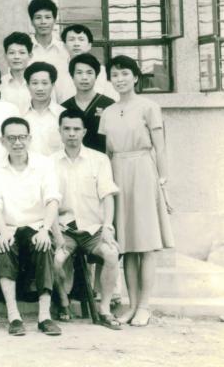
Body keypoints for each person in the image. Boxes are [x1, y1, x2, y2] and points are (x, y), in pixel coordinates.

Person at [100, 55, 174, 327]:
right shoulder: (108, 112)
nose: (119, 79)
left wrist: (163, 183)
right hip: (117, 173)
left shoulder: (149, 107)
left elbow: (160, 148)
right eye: (115, 75)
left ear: (135, 77)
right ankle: (131, 305)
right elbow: (107, 153)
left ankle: (145, 306)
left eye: (124, 74)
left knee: (147, 244)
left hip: (143, 171)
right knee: (128, 246)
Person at [0, 116, 63, 336]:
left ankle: (44, 316)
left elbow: (52, 200)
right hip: (6, 226)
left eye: (22, 137)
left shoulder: (44, 164)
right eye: (11, 138)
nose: (17, 142)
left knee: (44, 247)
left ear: (29, 139)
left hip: (36, 225)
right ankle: (14, 317)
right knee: (4, 247)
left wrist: (45, 230)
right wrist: (2, 232)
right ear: (2, 141)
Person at [52, 108, 122, 329]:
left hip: (94, 229)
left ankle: (105, 309)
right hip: (65, 229)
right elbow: (49, 202)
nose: (71, 134)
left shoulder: (99, 160)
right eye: (66, 129)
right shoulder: (50, 162)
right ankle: (63, 302)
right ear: (59, 131)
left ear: (84, 132)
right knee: (56, 260)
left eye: (76, 129)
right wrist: (56, 234)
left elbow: (107, 195)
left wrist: (108, 227)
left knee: (111, 254)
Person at [60, 52, 114, 153]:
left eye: (89, 73)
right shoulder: (63, 108)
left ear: (96, 76)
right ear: (72, 76)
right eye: (79, 72)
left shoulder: (109, 104)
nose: (84, 77)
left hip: (103, 159)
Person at [54, 24, 117, 104]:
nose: (76, 44)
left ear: (89, 45)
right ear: (64, 45)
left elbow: (113, 101)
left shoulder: (103, 72)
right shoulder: (57, 72)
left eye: (81, 39)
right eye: (71, 39)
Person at [23, 62, 63, 157]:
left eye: (45, 83)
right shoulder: (19, 115)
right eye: (35, 83)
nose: (40, 88)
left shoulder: (63, 115)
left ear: (53, 85)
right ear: (27, 86)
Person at [28, 0, 70, 70]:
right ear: (31, 21)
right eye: (38, 17)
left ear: (54, 20)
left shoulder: (65, 49)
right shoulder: (24, 49)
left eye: (47, 17)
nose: (43, 22)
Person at [0, 32, 34, 113]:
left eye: (22, 53)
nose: (16, 57)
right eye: (12, 53)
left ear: (30, 56)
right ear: (5, 56)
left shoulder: (40, 84)